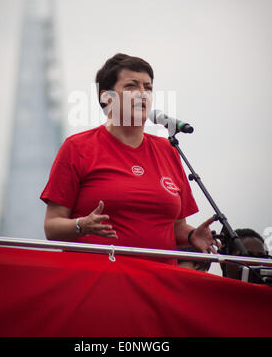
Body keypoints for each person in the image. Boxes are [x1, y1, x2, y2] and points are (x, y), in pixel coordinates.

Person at [40, 53, 219, 265]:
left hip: (161, 284)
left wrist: (191, 236)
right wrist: (81, 225)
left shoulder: (168, 150)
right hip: (99, 282)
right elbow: (52, 228)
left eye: (148, 87)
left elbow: (176, 227)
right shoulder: (77, 148)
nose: (142, 94)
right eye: (131, 87)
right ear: (107, 97)